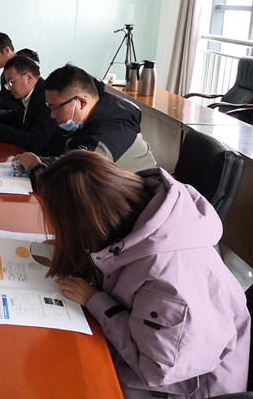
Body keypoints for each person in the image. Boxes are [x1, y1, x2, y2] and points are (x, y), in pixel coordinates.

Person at [36, 150, 250, 398]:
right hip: (150, 356)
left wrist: (95, 300)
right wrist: (81, 251)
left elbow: (155, 369)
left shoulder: (168, 285)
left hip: (174, 388)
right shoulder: (143, 219)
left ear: (86, 222)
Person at [16, 63, 156, 179]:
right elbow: (69, 161)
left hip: (131, 202)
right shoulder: (97, 116)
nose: (52, 115)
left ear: (81, 102)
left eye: (55, 108)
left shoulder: (104, 139)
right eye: (49, 107)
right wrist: (37, 159)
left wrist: (35, 167)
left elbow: (69, 186)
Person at [0, 55, 60, 154]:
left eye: (11, 82)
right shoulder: (31, 93)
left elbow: (34, 140)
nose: (9, 88)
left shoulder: (46, 98)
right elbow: (15, 116)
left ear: (28, 77)